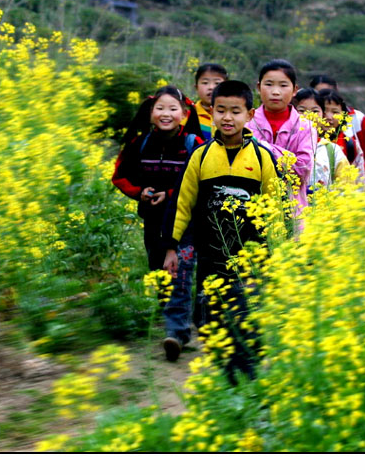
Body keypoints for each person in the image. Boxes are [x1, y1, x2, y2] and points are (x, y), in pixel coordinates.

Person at [162, 80, 278, 383]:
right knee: (209, 319)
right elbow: (182, 203)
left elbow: (277, 206)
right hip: (211, 255)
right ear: (211, 112)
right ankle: (225, 377)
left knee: (246, 316)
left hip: (251, 257)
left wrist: (277, 249)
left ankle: (248, 378)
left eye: (235, 111)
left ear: (250, 115)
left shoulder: (263, 158)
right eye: (221, 110)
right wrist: (171, 247)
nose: (228, 118)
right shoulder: (200, 156)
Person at [112, 85, 204, 361]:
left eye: (172, 109)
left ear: (185, 114)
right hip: (153, 222)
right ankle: (181, 322)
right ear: (151, 113)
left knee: (180, 272)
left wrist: (172, 195)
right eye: (160, 108)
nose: (166, 113)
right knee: (159, 273)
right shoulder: (139, 144)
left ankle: (176, 332)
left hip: (185, 224)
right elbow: (120, 176)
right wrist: (140, 192)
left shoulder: (194, 144)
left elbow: (201, 180)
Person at [246, 59, 317, 215]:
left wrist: (265, 148)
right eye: (269, 84)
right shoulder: (246, 122)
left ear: (294, 90)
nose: (275, 92)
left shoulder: (305, 126)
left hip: (293, 208)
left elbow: (303, 168)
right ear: (258, 87)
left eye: (283, 86)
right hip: (251, 206)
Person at [309, 74, 365, 180]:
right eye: (324, 111)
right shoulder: (306, 137)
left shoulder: (355, 123)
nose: (329, 117)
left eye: (335, 112)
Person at [293, 88, 348, 190]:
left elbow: (346, 190)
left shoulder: (332, 151)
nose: (309, 116)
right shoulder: (283, 146)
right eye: (301, 110)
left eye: (315, 111)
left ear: (323, 114)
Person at [188, 63, 228, 140]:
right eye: (205, 83)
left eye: (217, 83)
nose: (211, 87)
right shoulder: (189, 114)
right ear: (196, 87)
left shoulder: (231, 115)